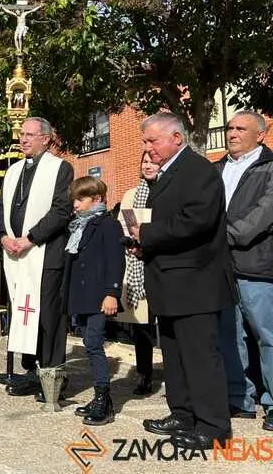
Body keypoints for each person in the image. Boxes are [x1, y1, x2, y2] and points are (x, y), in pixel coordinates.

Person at [128, 112, 233, 450]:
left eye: (152, 140)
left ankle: (213, 426)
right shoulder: (167, 173)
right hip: (169, 282)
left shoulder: (198, 170)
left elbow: (196, 220)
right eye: (145, 141)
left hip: (194, 282)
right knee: (174, 354)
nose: (147, 147)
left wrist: (147, 234)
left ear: (176, 138)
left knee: (199, 356)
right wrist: (143, 245)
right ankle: (183, 413)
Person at [0, 116, 73, 401]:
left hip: (45, 254)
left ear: (46, 138)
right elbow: (1, 208)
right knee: (24, 313)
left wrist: (29, 239)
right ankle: (31, 371)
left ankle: (52, 377)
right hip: (15, 254)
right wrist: (3, 236)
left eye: (30, 134)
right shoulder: (13, 171)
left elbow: (61, 210)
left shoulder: (60, 168)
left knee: (48, 317)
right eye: (22, 134)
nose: (23, 139)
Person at [215, 111, 273, 432]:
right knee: (230, 335)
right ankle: (241, 399)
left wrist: (218, 237)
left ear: (260, 135)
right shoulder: (217, 169)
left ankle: (272, 402)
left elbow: (261, 217)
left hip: (257, 266)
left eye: (240, 128)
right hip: (221, 268)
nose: (232, 133)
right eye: (230, 127)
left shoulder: (270, 167)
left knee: (267, 337)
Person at [62, 176, 125, 425]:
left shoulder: (108, 224)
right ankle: (99, 396)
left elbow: (116, 260)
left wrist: (112, 293)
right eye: (74, 200)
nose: (75, 204)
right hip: (83, 296)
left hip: (100, 296)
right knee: (89, 343)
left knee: (94, 343)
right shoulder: (78, 225)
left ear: (96, 199)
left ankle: (103, 399)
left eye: (80, 199)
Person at [117, 151, 160, 396]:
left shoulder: (166, 192)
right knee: (142, 328)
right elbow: (125, 225)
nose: (147, 165)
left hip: (162, 263)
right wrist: (134, 245)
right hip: (137, 263)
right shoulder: (131, 195)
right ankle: (145, 375)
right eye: (144, 161)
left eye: (152, 161)